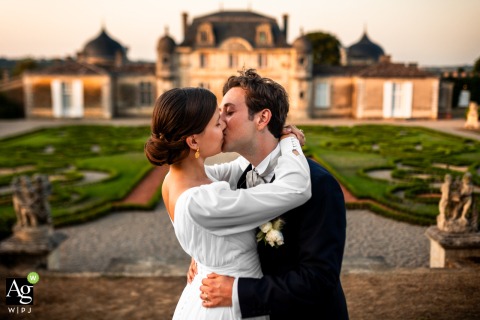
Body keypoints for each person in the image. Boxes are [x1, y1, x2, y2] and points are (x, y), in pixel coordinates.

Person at [144, 86, 311, 319]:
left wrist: (268, 136)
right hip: (227, 306)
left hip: (207, 288)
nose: (223, 124)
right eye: (216, 123)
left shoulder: (175, 179)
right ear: (193, 141)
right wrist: (290, 141)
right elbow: (295, 188)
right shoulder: (201, 201)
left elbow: (244, 165)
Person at [195, 69, 349, 319]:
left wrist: (237, 291)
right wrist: (203, 258)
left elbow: (318, 280)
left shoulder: (320, 185)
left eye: (230, 112)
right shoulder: (241, 176)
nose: (220, 121)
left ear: (262, 118)